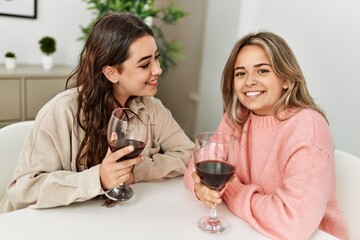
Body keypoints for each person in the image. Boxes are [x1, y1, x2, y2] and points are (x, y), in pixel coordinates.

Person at [0, 12, 194, 213]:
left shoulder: (153, 108)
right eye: (145, 64)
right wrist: (98, 178)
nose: (158, 69)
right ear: (111, 72)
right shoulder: (61, 112)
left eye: (156, 58)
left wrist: (136, 172)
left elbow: (189, 153)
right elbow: (23, 190)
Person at [184, 31, 348, 239]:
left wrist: (230, 189)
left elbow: (292, 223)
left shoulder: (308, 127)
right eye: (241, 73)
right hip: (250, 229)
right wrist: (201, 188)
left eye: (262, 71)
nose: (249, 81)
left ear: (286, 79)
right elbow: (201, 163)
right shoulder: (237, 116)